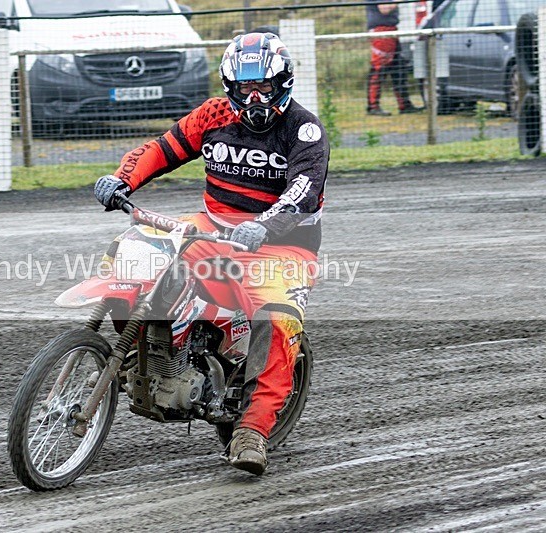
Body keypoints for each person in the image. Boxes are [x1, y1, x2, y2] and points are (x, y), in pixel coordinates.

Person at [94, 32, 328, 475]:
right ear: (230, 87)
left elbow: (301, 193)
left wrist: (263, 225)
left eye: (264, 87)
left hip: (281, 245)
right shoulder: (214, 114)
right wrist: (122, 180)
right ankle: (141, 354)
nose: (254, 97)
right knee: (130, 250)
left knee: (278, 323)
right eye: (244, 88)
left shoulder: (305, 131)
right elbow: (162, 148)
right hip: (214, 227)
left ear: (284, 84)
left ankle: (253, 432)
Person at [366, 0, 424, 115]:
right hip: (382, 32)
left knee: (399, 67)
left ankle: (404, 105)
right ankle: (373, 106)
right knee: (379, 68)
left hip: (390, 30)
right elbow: (384, 9)